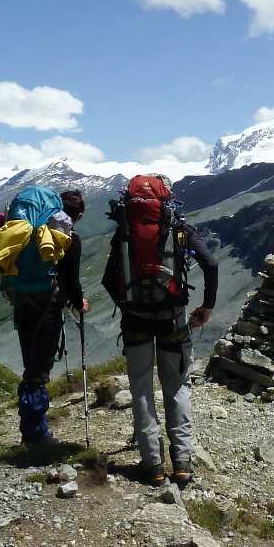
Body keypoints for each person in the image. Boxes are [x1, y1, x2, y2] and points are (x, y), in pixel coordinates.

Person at [105, 174, 218, 487]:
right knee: (178, 385)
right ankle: (182, 464)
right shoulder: (180, 230)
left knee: (141, 388)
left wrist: (127, 305)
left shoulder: (125, 231)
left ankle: (153, 465)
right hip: (173, 318)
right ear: (167, 199)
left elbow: (108, 278)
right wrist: (206, 307)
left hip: (135, 321)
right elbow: (210, 263)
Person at [12, 188, 89, 444]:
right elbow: (73, 282)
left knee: (30, 366)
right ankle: (36, 437)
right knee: (37, 373)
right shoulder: (69, 239)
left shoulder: (31, 235)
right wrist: (80, 303)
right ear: (76, 215)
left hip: (22, 300)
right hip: (47, 308)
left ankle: (31, 431)